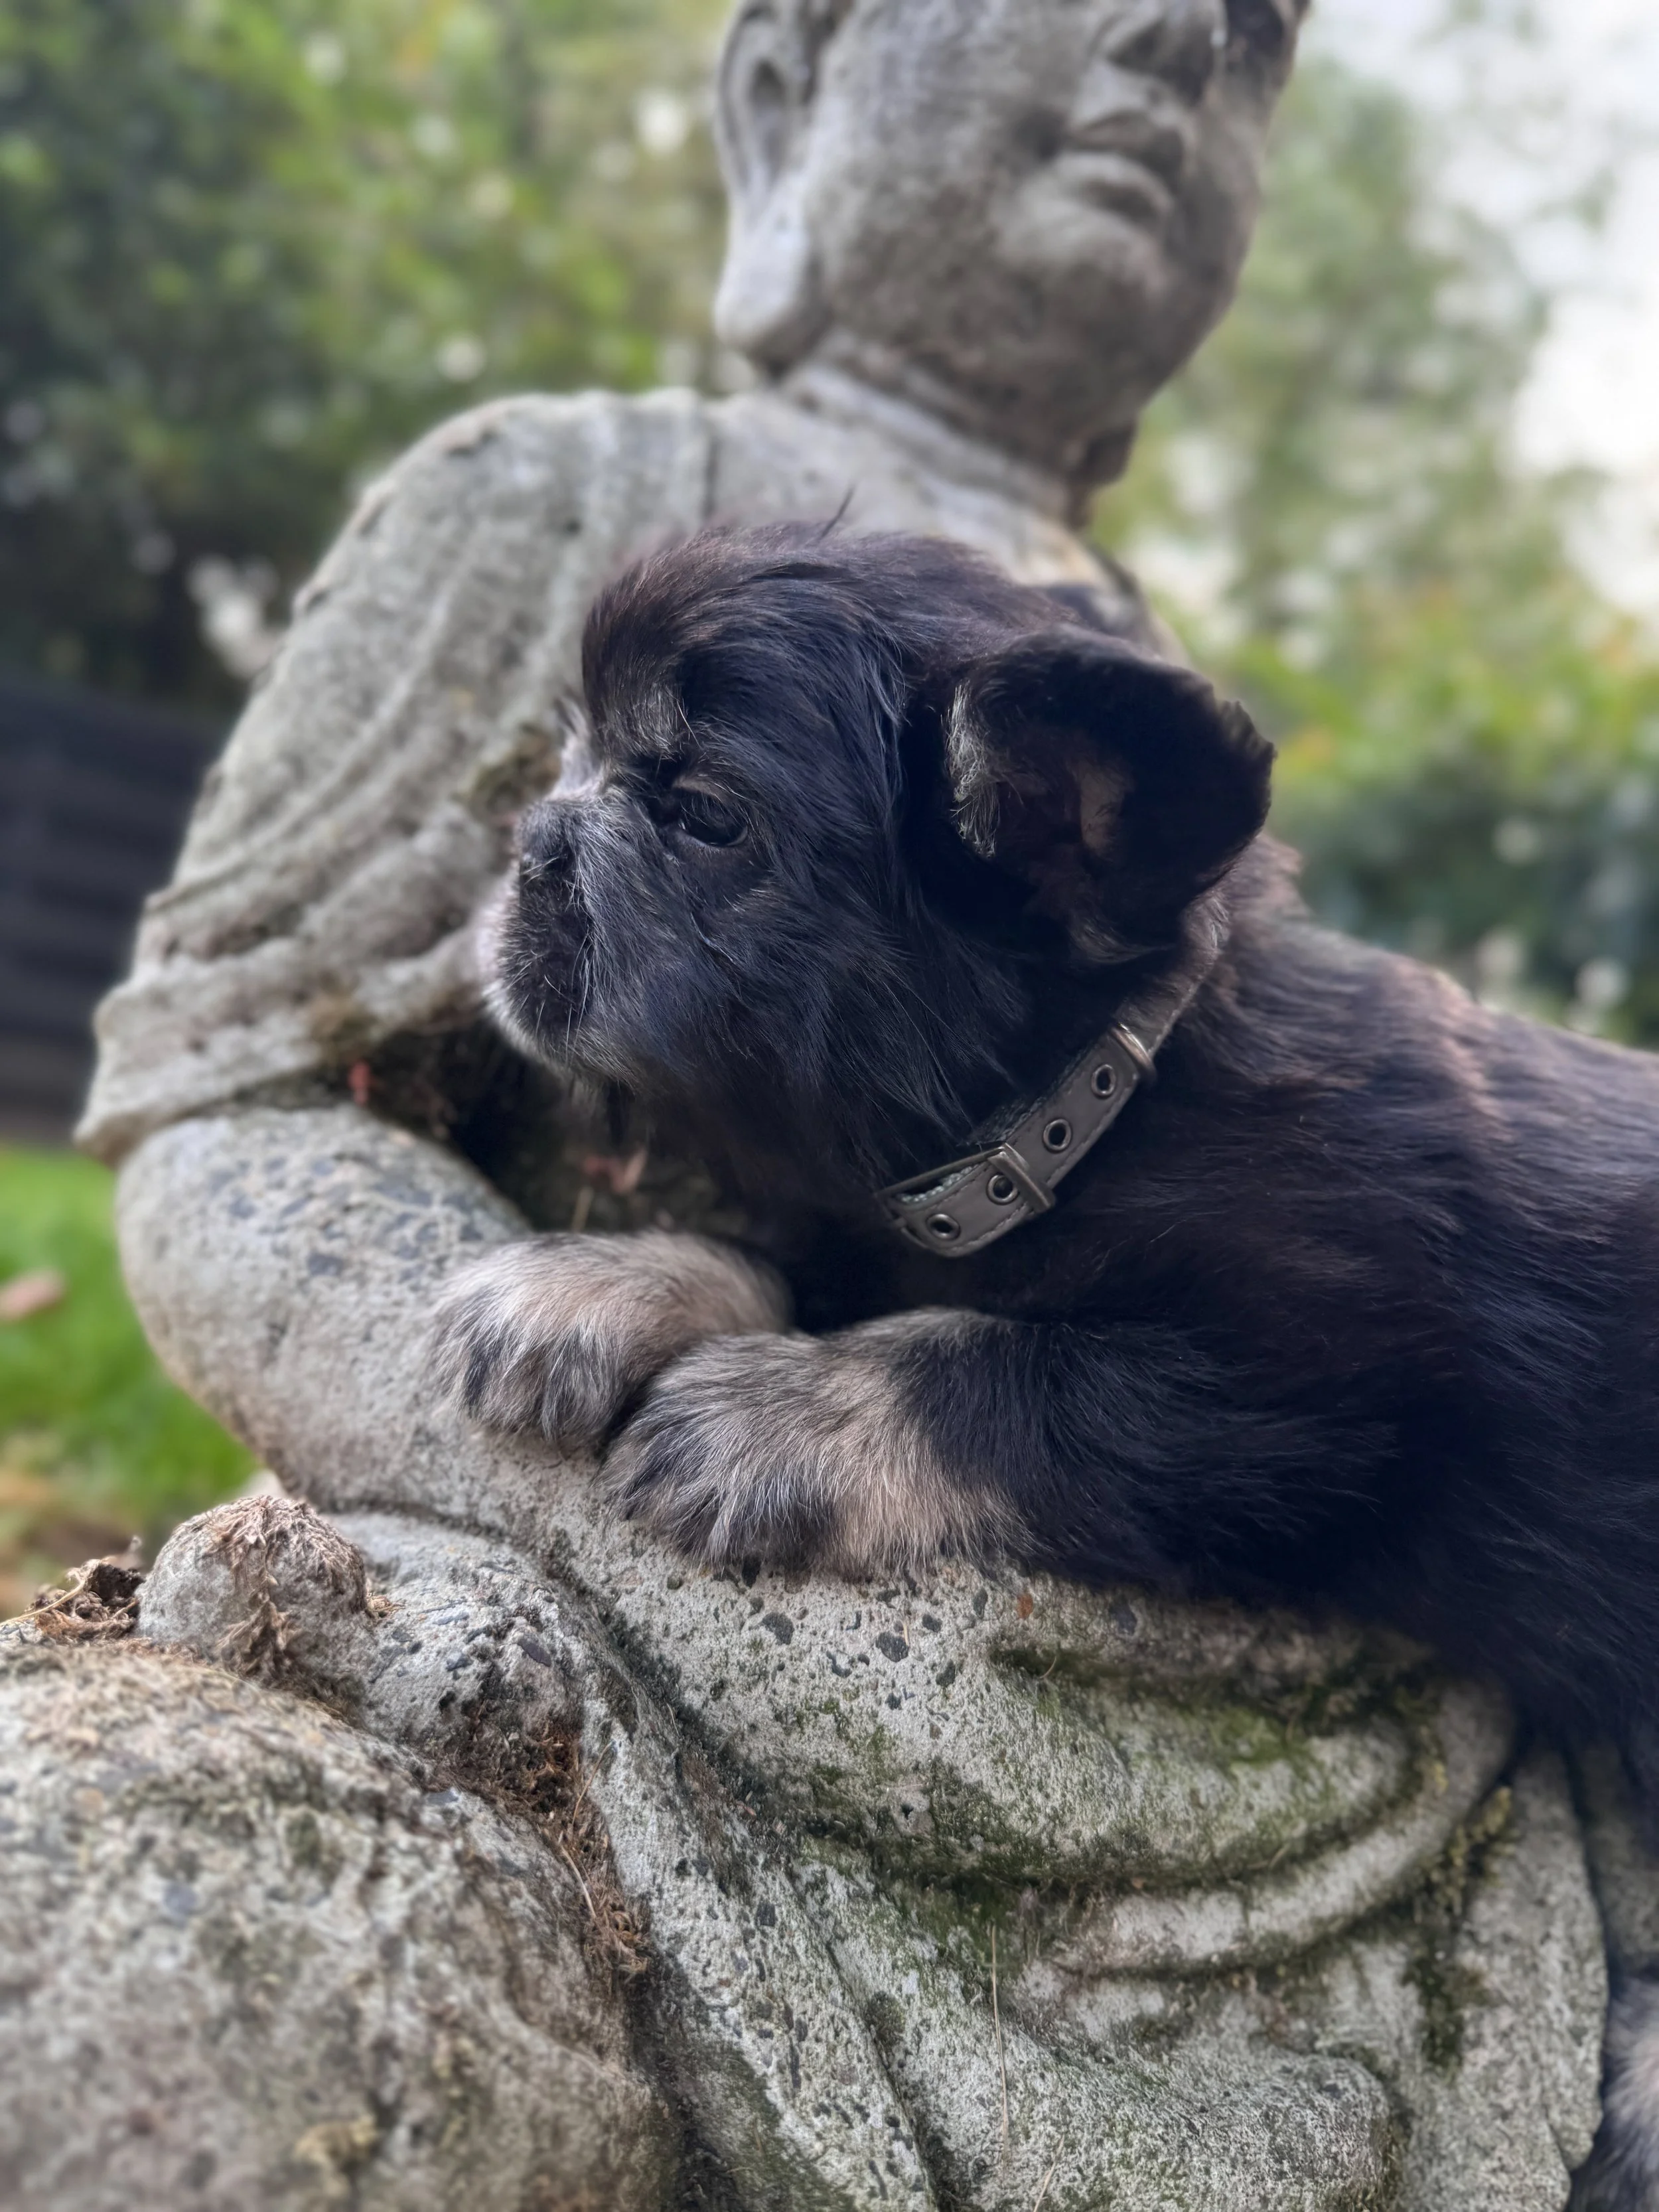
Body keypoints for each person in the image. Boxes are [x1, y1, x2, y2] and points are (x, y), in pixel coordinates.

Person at [70, 5, 1608, 2205]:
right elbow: (227, 1102)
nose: (1167, 60)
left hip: (1343, 1710)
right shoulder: (549, 487)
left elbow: (1252, 1333)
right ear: (784, 92)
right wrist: (570, 1386)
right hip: (642, 1650)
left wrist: (878, 1412)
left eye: (1246, 41)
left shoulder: (1097, 808)